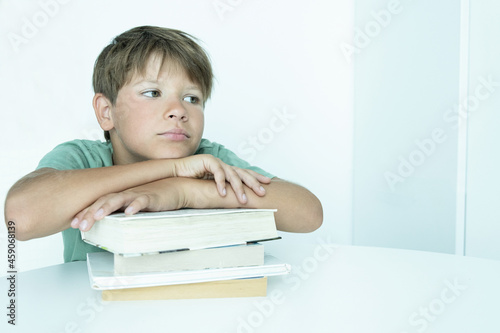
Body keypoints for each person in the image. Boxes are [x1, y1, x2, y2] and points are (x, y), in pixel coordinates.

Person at [4, 26, 323, 262]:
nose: (179, 111)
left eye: (192, 98)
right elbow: (21, 219)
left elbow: (308, 214)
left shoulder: (209, 159)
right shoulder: (81, 158)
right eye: (153, 93)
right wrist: (172, 168)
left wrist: (187, 190)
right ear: (106, 112)